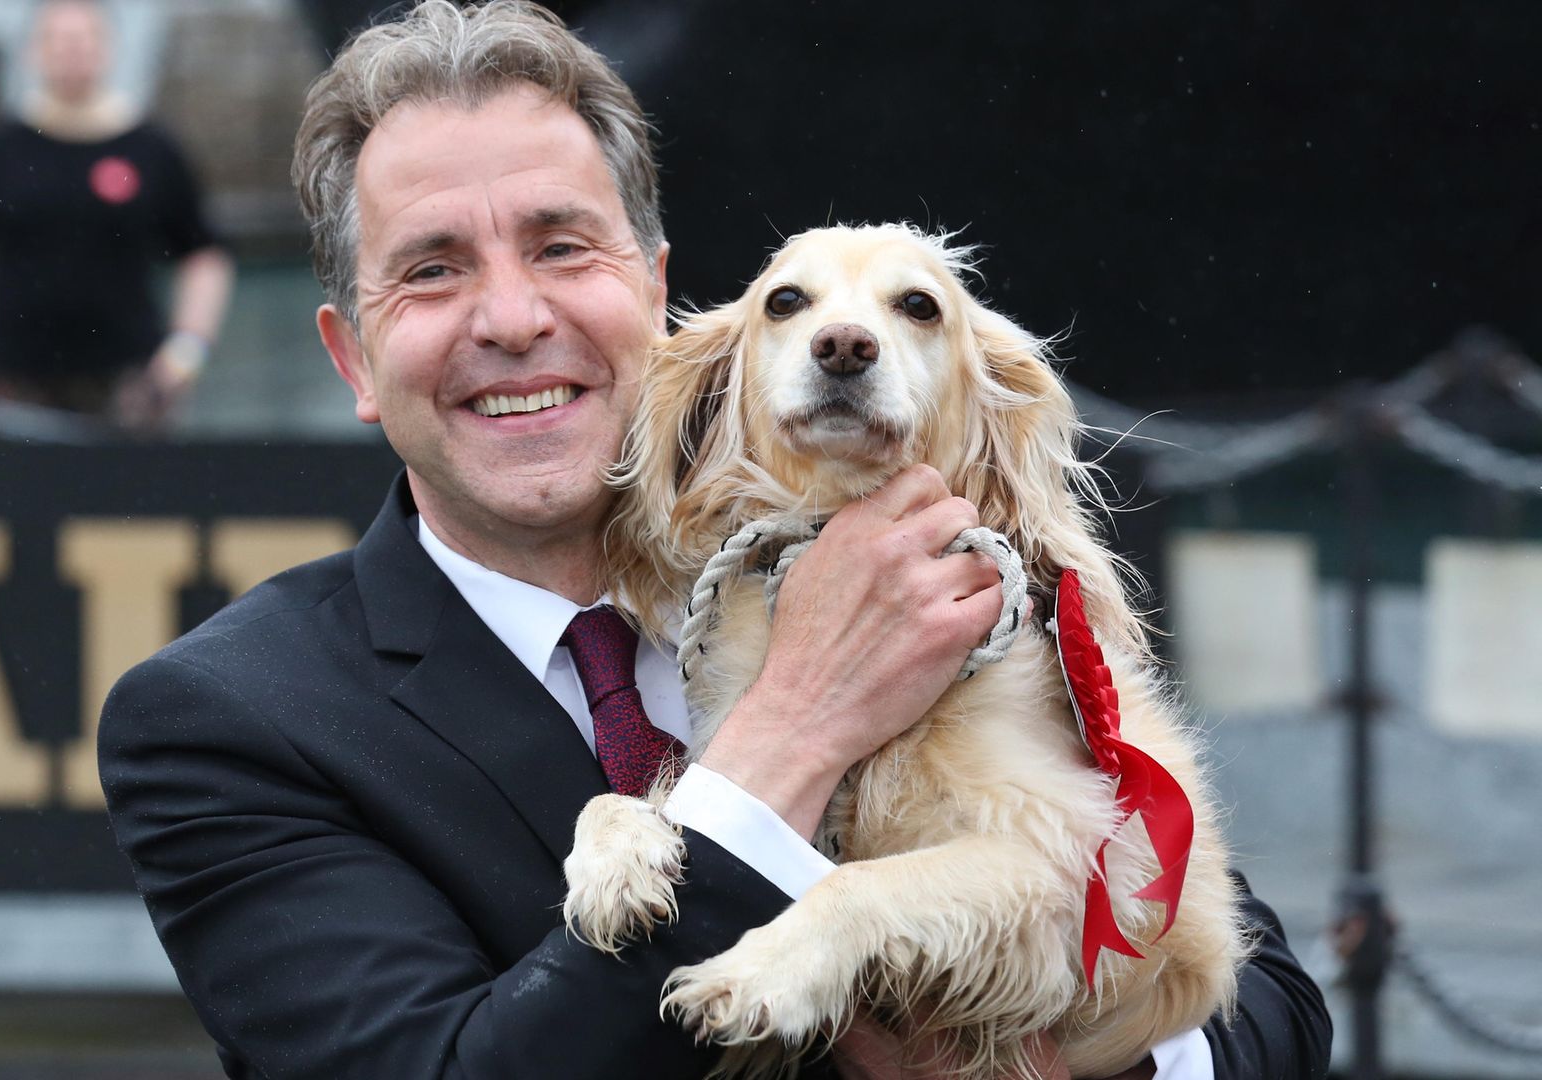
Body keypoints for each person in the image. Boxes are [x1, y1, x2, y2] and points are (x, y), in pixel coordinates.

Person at [98, 4, 1332, 1078]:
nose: (515, 317)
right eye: (431, 271)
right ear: (353, 357)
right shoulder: (230, 724)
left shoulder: (951, 593)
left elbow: (1264, 994)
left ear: (655, 288)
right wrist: (798, 721)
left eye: (561, 246)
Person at [0, 0, 233, 432]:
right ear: (33, 50)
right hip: (13, 393)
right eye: (58, 39)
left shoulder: (151, 149)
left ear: (109, 48)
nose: (72, 51)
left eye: (84, 39)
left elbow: (205, 259)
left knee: (126, 500)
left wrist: (182, 359)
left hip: (132, 392)